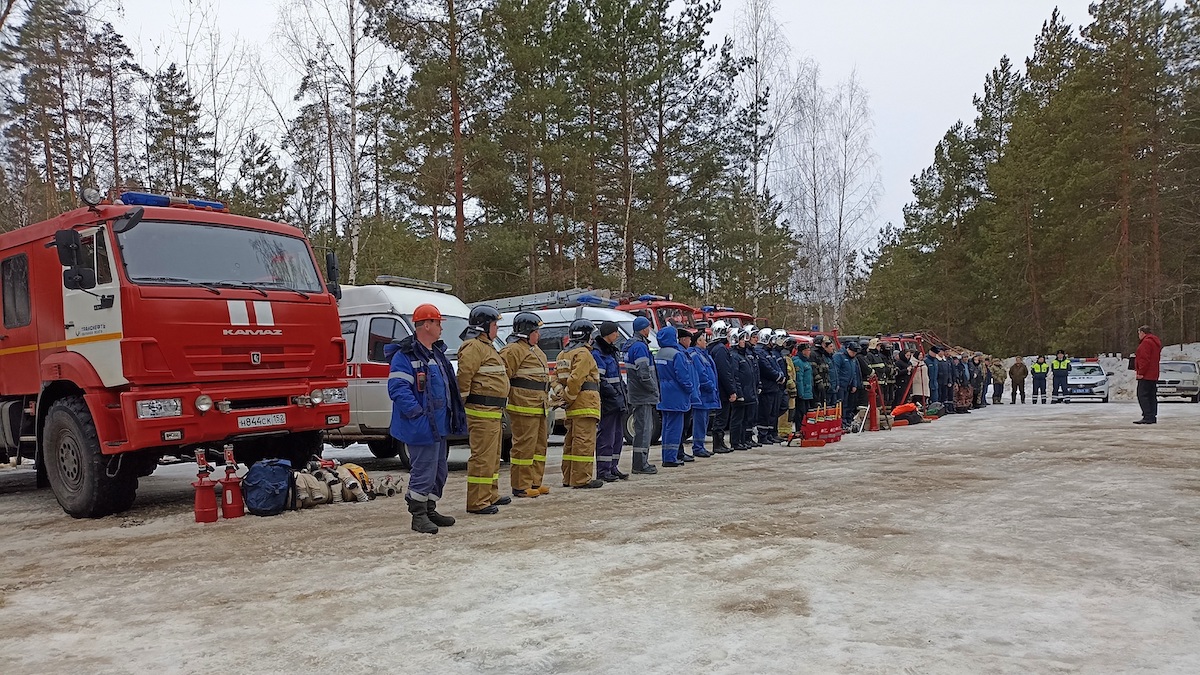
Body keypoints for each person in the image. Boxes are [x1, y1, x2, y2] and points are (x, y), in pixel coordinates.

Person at [387, 303, 466, 534]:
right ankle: (418, 516)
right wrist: (417, 414)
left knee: (439, 470)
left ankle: (430, 509)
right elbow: (398, 389)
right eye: (438, 323)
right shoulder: (405, 356)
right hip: (422, 425)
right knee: (424, 470)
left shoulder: (436, 354)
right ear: (426, 324)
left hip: (439, 425)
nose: (441, 328)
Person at [458, 305, 510, 515]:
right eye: (495, 324)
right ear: (484, 326)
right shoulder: (473, 346)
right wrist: (461, 406)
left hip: (492, 411)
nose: (497, 328)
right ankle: (478, 501)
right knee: (482, 457)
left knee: (493, 455)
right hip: (481, 411)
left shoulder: (487, 347)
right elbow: (464, 377)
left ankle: (490, 494)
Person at [499, 311, 552, 499]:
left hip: (540, 406)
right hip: (523, 406)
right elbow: (502, 376)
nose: (539, 334)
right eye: (536, 331)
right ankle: (520, 486)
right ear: (526, 332)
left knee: (539, 447)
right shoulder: (513, 350)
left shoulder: (536, 350)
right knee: (524, 447)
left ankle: (535, 481)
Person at [558, 319, 605, 489]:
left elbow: (557, 379)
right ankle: (581, 479)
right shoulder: (583, 354)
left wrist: (564, 397)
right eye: (591, 335)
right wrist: (569, 397)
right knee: (584, 442)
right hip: (585, 404)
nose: (592, 339)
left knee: (571, 442)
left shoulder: (563, 354)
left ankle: (569, 477)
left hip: (572, 407)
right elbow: (576, 378)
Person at [592, 321, 629, 481]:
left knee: (617, 436)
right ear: (609, 333)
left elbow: (617, 378)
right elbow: (600, 378)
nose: (618, 335)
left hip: (617, 399)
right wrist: (614, 395)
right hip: (608, 400)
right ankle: (603, 470)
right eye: (615, 332)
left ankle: (613, 467)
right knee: (606, 436)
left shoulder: (611, 351)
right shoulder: (598, 353)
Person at [655, 325, 696, 467]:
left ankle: (667, 455)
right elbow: (683, 376)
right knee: (675, 427)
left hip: (663, 393)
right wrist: (690, 389)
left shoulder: (659, 353)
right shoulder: (677, 354)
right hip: (676, 394)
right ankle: (671, 458)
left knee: (667, 426)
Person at [624, 316, 660, 474]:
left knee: (643, 429)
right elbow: (644, 373)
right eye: (648, 326)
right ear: (643, 329)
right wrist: (653, 388)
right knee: (644, 430)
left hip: (639, 393)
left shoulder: (635, 345)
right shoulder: (639, 347)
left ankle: (641, 462)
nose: (650, 328)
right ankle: (640, 464)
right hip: (642, 394)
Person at [706, 320, 738, 453]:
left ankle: (720, 443)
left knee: (721, 416)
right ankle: (718, 444)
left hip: (719, 387)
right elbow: (725, 371)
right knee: (721, 417)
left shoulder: (714, 348)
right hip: (722, 389)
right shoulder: (720, 349)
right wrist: (731, 390)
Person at [690, 330, 722, 457]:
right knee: (700, 422)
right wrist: (710, 385)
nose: (706, 342)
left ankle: (700, 445)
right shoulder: (696, 355)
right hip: (703, 394)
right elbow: (701, 374)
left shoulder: (704, 354)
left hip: (707, 394)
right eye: (704, 340)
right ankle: (698, 447)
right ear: (698, 342)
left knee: (704, 421)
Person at [753, 328, 784, 444]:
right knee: (764, 413)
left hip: (773, 387)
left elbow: (775, 366)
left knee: (772, 413)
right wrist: (778, 377)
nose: (774, 342)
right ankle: (763, 435)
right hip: (767, 388)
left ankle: (771, 433)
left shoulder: (769, 352)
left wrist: (780, 375)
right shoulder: (760, 352)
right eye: (771, 340)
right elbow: (766, 368)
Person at [675, 328, 701, 462]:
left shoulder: (685, 353)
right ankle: (678, 452)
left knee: (685, 426)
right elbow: (683, 376)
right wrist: (690, 389)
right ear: (683, 339)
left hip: (688, 394)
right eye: (689, 339)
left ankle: (680, 452)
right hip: (684, 394)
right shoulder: (680, 353)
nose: (691, 342)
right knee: (681, 426)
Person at [730, 328, 755, 450]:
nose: (743, 341)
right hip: (741, 392)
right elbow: (735, 376)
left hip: (747, 391)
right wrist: (739, 393)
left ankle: (742, 439)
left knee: (744, 419)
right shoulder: (734, 356)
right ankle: (735, 441)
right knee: (737, 419)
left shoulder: (743, 355)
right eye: (741, 339)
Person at [1134, 325, 1163, 424]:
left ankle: (1147, 415)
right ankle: (1152, 416)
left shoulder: (1146, 343)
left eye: (1139, 333)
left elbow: (1144, 359)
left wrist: (1140, 372)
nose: (1138, 335)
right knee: (1151, 395)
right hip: (1153, 374)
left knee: (1142, 395)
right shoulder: (1155, 343)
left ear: (1143, 332)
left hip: (1146, 374)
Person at [832, 341, 862, 428]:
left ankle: (845, 421)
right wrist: (837, 384)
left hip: (848, 385)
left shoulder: (852, 359)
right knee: (840, 404)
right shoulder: (839, 356)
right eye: (853, 352)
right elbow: (836, 371)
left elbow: (854, 373)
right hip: (841, 385)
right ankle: (841, 422)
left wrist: (854, 384)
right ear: (848, 349)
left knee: (847, 404)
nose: (854, 354)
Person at [792, 341, 814, 434]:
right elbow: (799, 379)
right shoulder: (798, 362)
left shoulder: (806, 362)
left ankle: (805, 429)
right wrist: (800, 393)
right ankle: (799, 429)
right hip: (803, 392)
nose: (809, 352)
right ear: (803, 351)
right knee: (800, 413)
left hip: (807, 392)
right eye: (808, 350)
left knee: (806, 413)